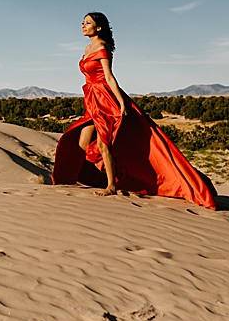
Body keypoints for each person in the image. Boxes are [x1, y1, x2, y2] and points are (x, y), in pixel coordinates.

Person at [51, 11, 218, 208]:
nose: (83, 26)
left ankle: (111, 185)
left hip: (105, 98)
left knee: (104, 144)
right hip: (91, 99)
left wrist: (121, 102)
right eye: (82, 22)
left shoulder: (102, 48)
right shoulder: (87, 48)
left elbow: (109, 77)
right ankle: (73, 177)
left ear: (99, 27)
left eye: (88, 23)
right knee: (82, 140)